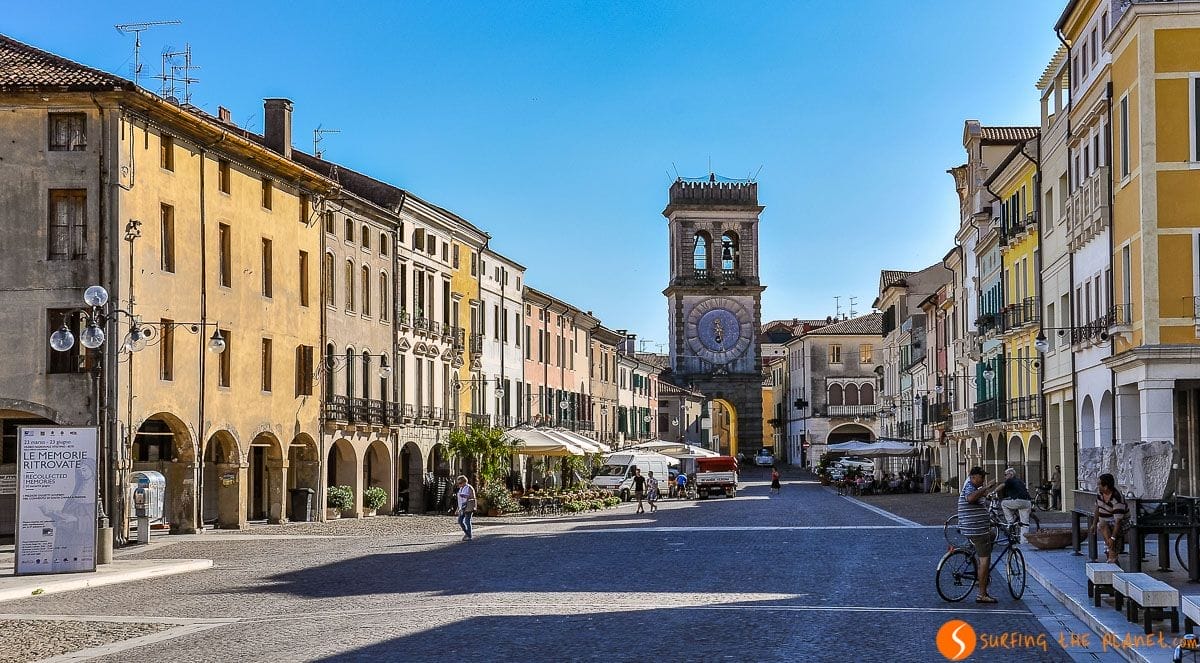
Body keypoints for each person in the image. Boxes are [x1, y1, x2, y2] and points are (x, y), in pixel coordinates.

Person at [958, 466, 1002, 603]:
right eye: (981, 477)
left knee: (992, 535)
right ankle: (982, 594)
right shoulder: (970, 486)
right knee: (985, 560)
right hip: (976, 530)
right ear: (973, 477)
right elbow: (970, 498)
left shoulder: (973, 487)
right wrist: (986, 487)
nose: (983, 479)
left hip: (977, 527)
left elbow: (980, 499)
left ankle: (980, 573)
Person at [1088, 473, 1129, 564]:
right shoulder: (1100, 493)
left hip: (1120, 523)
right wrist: (1094, 524)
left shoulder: (1117, 499)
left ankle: (1111, 554)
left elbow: (1118, 521)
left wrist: (1113, 538)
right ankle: (1111, 554)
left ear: (1106, 487)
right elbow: (1097, 508)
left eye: (1099, 484)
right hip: (1106, 522)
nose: (1097, 486)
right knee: (1101, 524)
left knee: (1111, 537)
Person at [1000, 468, 1033, 543]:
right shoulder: (1019, 481)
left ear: (1011, 474)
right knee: (1025, 524)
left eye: (1006, 475)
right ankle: (1024, 541)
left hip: (1019, 502)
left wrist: (992, 492)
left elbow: (1002, 485)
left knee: (1003, 503)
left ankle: (1010, 522)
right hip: (1027, 502)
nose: (1005, 477)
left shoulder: (1010, 480)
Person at [455, 475, 476, 542]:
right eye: (458, 483)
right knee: (460, 521)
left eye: (460, 483)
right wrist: (458, 508)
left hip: (468, 506)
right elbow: (460, 500)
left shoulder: (469, 488)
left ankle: (469, 535)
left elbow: (472, 497)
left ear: (465, 482)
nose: (459, 485)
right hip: (462, 507)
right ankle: (467, 534)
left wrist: (464, 496)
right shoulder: (461, 489)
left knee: (467, 521)